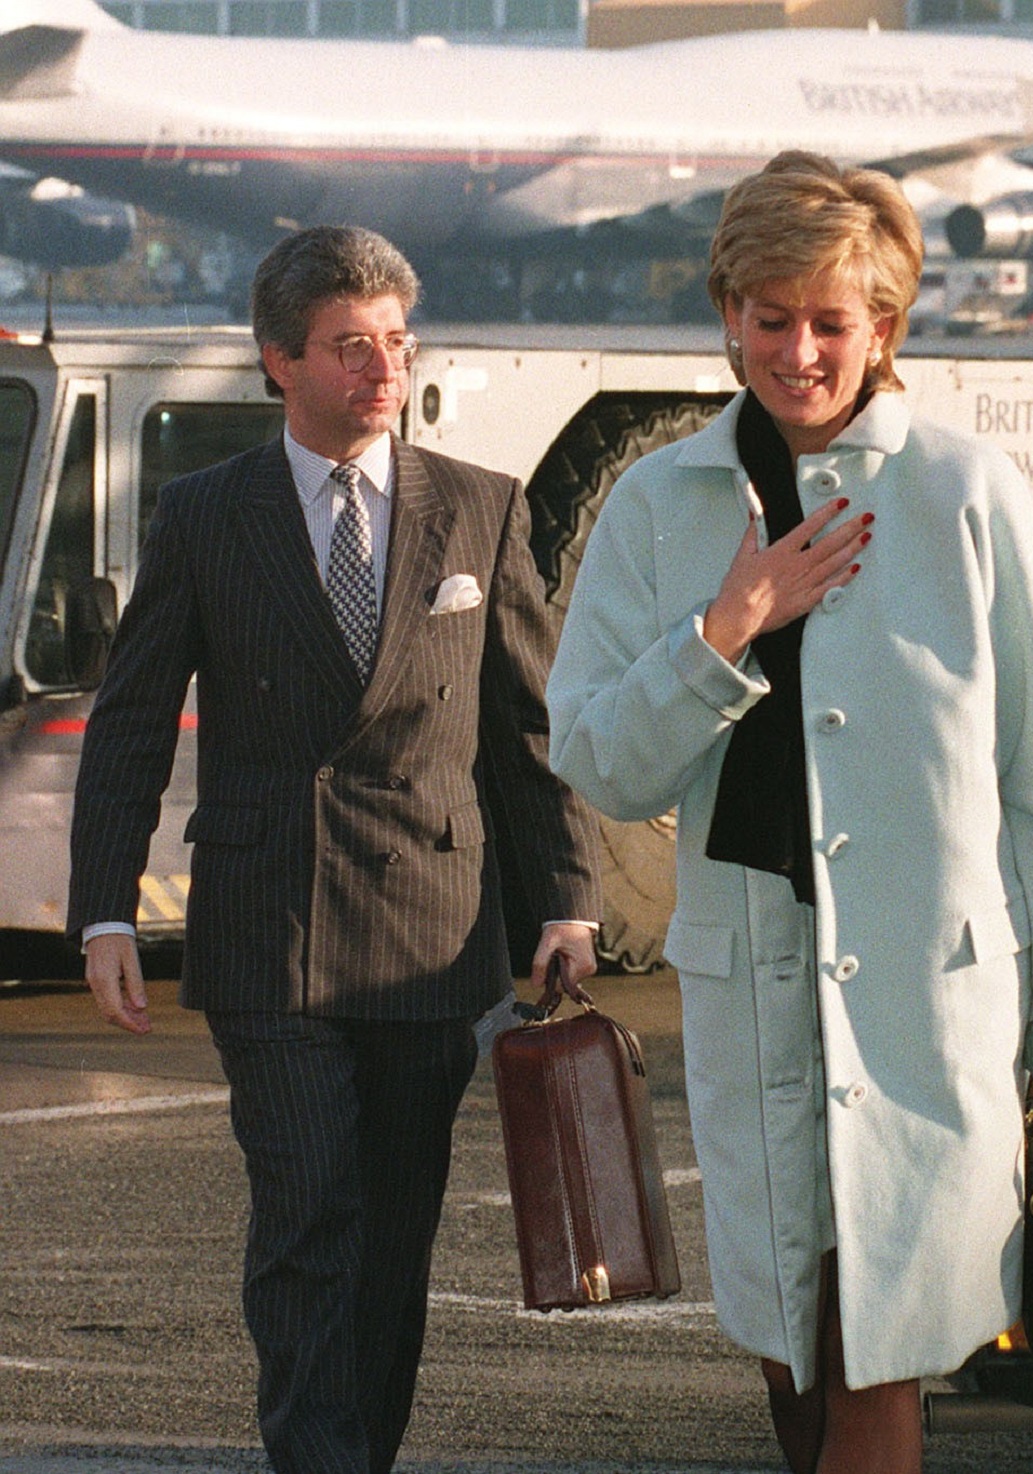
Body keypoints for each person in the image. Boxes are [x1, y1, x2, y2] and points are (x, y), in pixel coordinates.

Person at [545, 152, 1033, 1474]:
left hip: (932, 1005)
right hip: (753, 997)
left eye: (832, 321)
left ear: (885, 326)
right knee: (796, 1358)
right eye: (770, 316)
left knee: (877, 1356)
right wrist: (728, 625)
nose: (799, 351)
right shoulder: (655, 503)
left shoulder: (964, 491)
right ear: (727, 310)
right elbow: (602, 760)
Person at [68, 225, 602, 1474]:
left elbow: (528, 726)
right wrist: (104, 911)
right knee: (308, 1213)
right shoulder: (206, 514)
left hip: (434, 930)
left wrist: (566, 899)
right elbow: (133, 716)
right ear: (278, 362)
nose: (383, 371)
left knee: (394, 1231)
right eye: (350, 348)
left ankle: (361, 1450)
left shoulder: (482, 506)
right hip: (271, 924)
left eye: (398, 344)